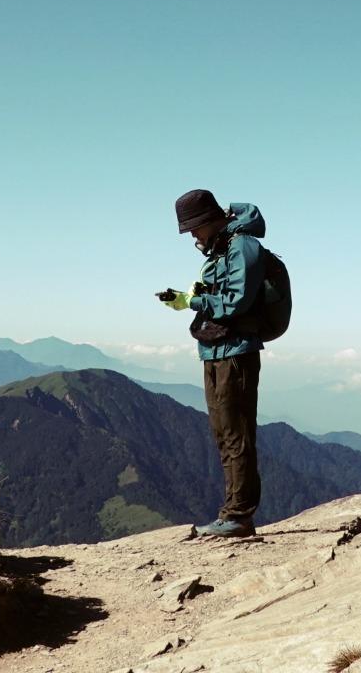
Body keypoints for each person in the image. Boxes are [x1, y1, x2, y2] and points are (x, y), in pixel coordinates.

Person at [159, 188, 265, 538]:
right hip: (216, 350)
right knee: (224, 433)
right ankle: (232, 513)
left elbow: (234, 302)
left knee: (235, 434)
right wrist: (188, 299)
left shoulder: (242, 248)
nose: (192, 235)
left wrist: (194, 301)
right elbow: (217, 297)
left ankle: (238, 516)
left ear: (208, 220)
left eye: (193, 228)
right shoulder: (221, 250)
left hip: (235, 353)